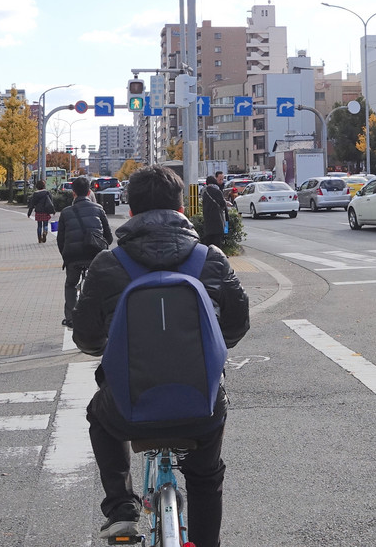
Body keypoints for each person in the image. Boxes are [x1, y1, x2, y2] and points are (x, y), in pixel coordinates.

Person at [73, 165, 250, 547]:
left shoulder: (107, 264)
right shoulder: (211, 259)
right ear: (182, 208)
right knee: (206, 476)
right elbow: (237, 325)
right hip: (202, 407)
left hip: (128, 408)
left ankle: (122, 509)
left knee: (98, 416)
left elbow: (85, 336)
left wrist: (110, 347)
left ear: (130, 210)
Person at [55, 176, 113, 328]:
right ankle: (101, 315)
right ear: (89, 192)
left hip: (73, 257)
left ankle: (70, 318)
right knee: (99, 284)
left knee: (71, 285)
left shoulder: (66, 212)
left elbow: (60, 240)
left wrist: (66, 256)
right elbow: (109, 237)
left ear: (73, 193)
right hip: (95, 255)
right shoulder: (99, 209)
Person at [199, 170, 227, 245]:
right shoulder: (217, 191)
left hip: (208, 223)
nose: (221, 181)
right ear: (215, 180)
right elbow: (223, 204)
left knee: (209, 243)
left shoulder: (204, 192)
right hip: (218, 222)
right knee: (217, 243)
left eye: (222, 179)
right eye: (220, 179)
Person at [26, 178, 56, 243]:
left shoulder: (35, 194)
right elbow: (51, 203)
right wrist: (53, 210)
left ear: (37, 186)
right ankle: (45, 232)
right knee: (45, 224)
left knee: (39, 225)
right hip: (46, 211)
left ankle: (39, 239)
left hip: (38, 211)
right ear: (44, 186)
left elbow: (32, 204)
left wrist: (29, 213)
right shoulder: (47, 192)